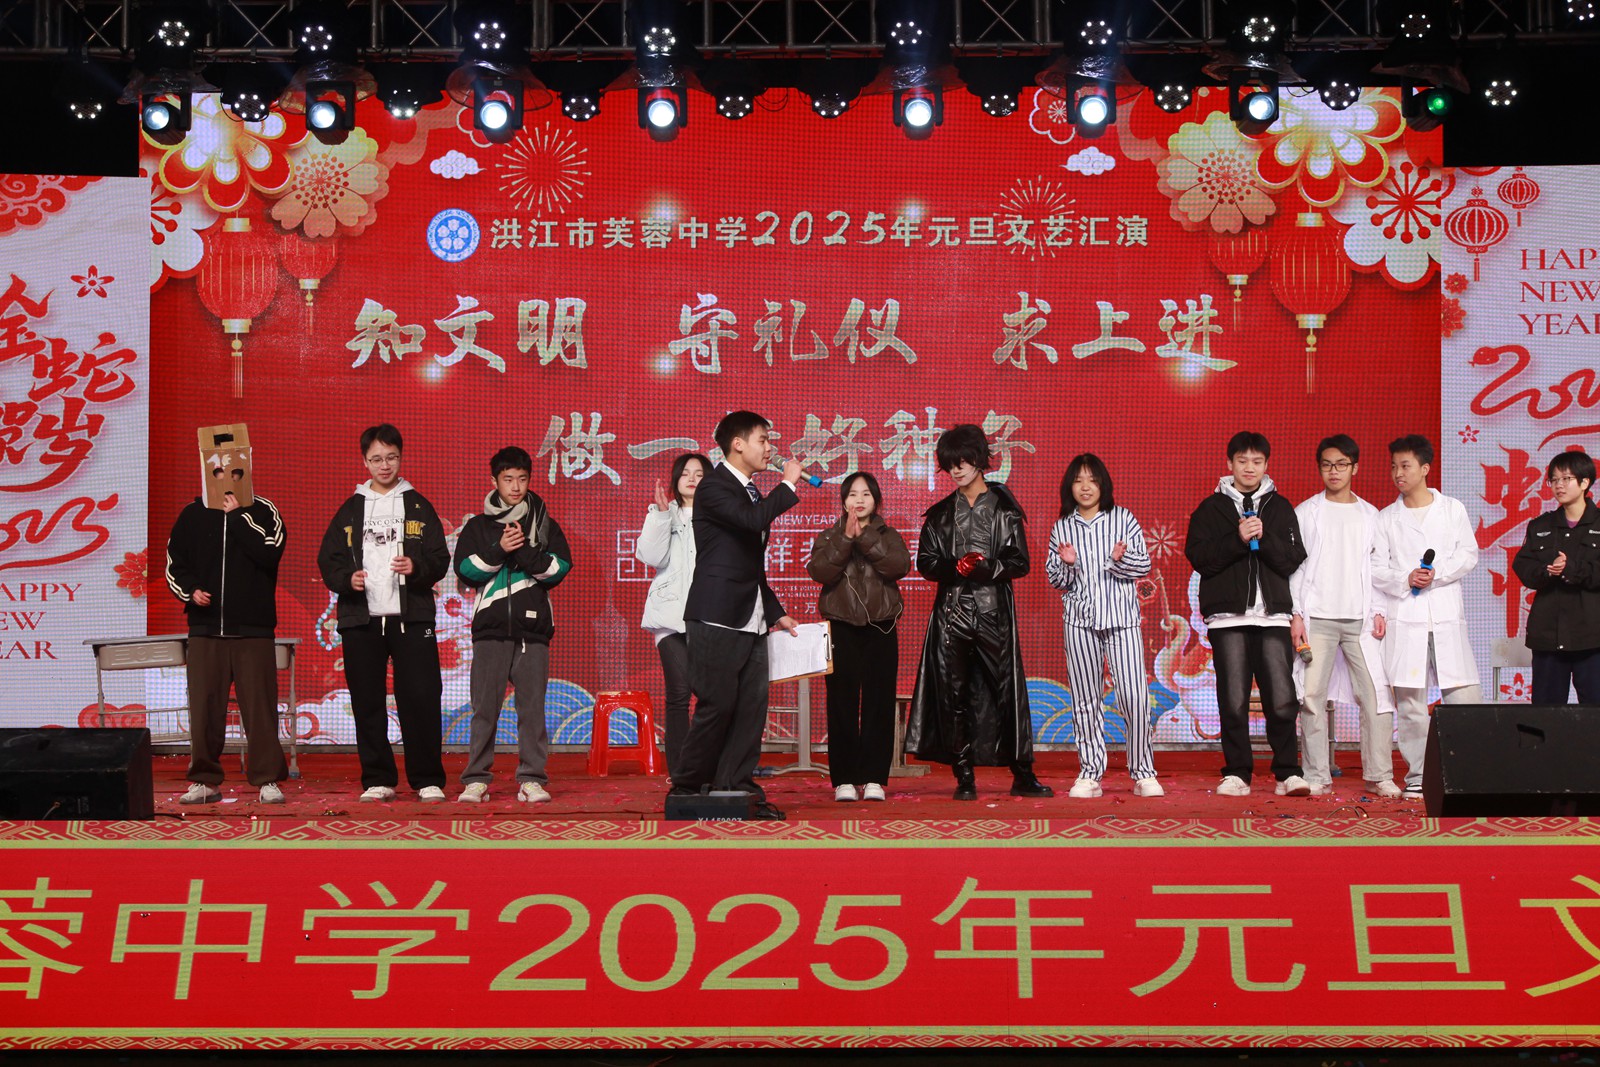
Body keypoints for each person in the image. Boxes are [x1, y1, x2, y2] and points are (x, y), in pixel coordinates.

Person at [906, 423, 1053, 801]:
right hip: (951, 615)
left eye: (963, 461)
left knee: (1007, 692)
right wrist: (954, 567)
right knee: (952, 694)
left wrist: (986, 567)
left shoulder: (1005, 509)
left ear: (980, 460)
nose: (956, 469)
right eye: (950, 463)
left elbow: (1020, 562)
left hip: (993, 614)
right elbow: (925, 562)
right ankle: (964, 776)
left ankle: (1023, 773)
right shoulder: (940, 514)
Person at [671, 411, 803, 820]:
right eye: (763, 440)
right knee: (717, 704)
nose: (770, 448)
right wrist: (788, 483)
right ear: (738, 444)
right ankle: (688, 786)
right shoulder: (714, 486)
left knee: (751, 707)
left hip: (752, 615)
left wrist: (776, 612)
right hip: (715, 614)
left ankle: (737, 786)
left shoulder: (748, 491)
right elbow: (752, 521)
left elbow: (749, 562)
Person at [317, 424, 451, 803]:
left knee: (421, 697)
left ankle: (427, 779)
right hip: (361, 620)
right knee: (367, 700)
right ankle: (378, 778)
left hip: (412, 618)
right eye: (376, 459)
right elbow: (328, 559)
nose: (384, 465)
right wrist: (348, 580)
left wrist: (416, 567)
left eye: (391, 457)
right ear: (365, 462)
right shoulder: (351, 509)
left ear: (400, 458)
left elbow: (440, 558)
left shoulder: (418, 505)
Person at [1184, 431, 1310, 798]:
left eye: (1257, 461)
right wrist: (1237, 538)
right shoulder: (1210, 508)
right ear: (1230, 464)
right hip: (1228, 619)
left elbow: (1292, 559)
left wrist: (1263, 537)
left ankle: (1288, 773)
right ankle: (1237, 773)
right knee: (1233, 700)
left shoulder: (1280, 507)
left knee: (1282, 699)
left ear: (1267, 465)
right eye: (1242, 461)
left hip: (1272, 618)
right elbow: (1200, 559)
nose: (1249, 468)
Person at [453, 446, 573, 803]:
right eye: (508, 479)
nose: (516, 487)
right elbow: (465, 571)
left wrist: (522, 550)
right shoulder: (478, 526)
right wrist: (499, 548)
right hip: (490, 631)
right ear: (495, 481)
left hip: (532, 632)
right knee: (484, 710)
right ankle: (476, 779)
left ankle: (532, 779)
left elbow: (559, 569)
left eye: (522, 479)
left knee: (532, 711)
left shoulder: (544, 522)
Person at [164, 477, 289, 804]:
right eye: (217, 470)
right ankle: (205, 781)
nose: (225, 477)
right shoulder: (192, 514)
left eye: (233, 469)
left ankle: (267, 780)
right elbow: (175, 562)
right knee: (204, 708)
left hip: (253, 630)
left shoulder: (262, 510)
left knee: (260, 709)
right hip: (205, 630)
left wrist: (237, 516)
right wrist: (191, 591)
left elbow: (270, 553)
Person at [1044, 454, 1162, 799]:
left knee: (1134, 696)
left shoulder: (1123, 518)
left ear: (1103, 485)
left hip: (1122, 620)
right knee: (1085, 698)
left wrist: (1118, 560)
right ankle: (1090, 773)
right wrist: (1068, 564)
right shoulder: (1062, 527)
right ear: (1070, 486)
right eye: (1078, 480)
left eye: (1092, 480)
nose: (1085, 487)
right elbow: (1056, 579)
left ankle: (1143, 772)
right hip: (1079, 621)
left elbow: (1143, 565)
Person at [1289, 435, 1401, 798]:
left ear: (1355, 467)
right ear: (1319, 468)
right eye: (1327, 464)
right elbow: (1296, 567)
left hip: (1359, 620)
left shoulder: (1371, 515)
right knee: (1311, 696)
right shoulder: (1306, 512)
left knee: (1376, 696)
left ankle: (1379, 774)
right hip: (1317, 620)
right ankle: (1316, 774)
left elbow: (1377, 567)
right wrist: (1296, 613)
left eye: (1341, 464)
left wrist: (1379, 609)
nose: (1333, 471)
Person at [1372, 434, 1481, 797]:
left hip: (1446, 615)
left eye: (1405, 466)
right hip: (1407, 616)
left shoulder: (1452, 509)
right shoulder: (1386, 518)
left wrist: (1438, 574)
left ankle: (1467, 772)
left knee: (1463, 696)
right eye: (1393, 467)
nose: (1397, 474)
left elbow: (1468, 553)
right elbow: (1375, 568)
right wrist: (1406, 578)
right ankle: (1418, 775)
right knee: (1411, 704)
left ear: (1425, 468)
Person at [807, 471, 911, 803]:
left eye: (866, 494)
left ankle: (874, 777)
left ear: (876, 501)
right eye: (852, 494)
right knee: (842, 703)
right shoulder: (829, 535)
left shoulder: (888, 535)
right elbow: (820, 571)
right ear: (843, 501)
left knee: (879, 703)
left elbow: (898, 566)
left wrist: (864, 538)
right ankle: (845, 780)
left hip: (882, 627)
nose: (859, 500)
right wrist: (846, 539)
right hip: (841, 627)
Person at [636, 452, 709, 779]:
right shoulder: (664, 513)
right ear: (676, 480)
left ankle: (708, 764)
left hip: (709, 617)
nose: (692, 478)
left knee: (710, 694)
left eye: (699, 473)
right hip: (670, 617)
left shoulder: (718, 515)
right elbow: (651, 557)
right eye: (686, 473)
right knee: (679, 693)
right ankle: (680, 772)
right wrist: (663, 515)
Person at [1511, 450, 1600, 704]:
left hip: (1592, 638)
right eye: (1554, 479)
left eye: (1566, 479)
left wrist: (1571, 568)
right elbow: (1523, 566)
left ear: (1585, 482)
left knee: (1595, 714)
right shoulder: (1541, 525)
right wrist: (1546, 571)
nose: (1558, 485)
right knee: (1545, 716)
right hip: (1548, 637)